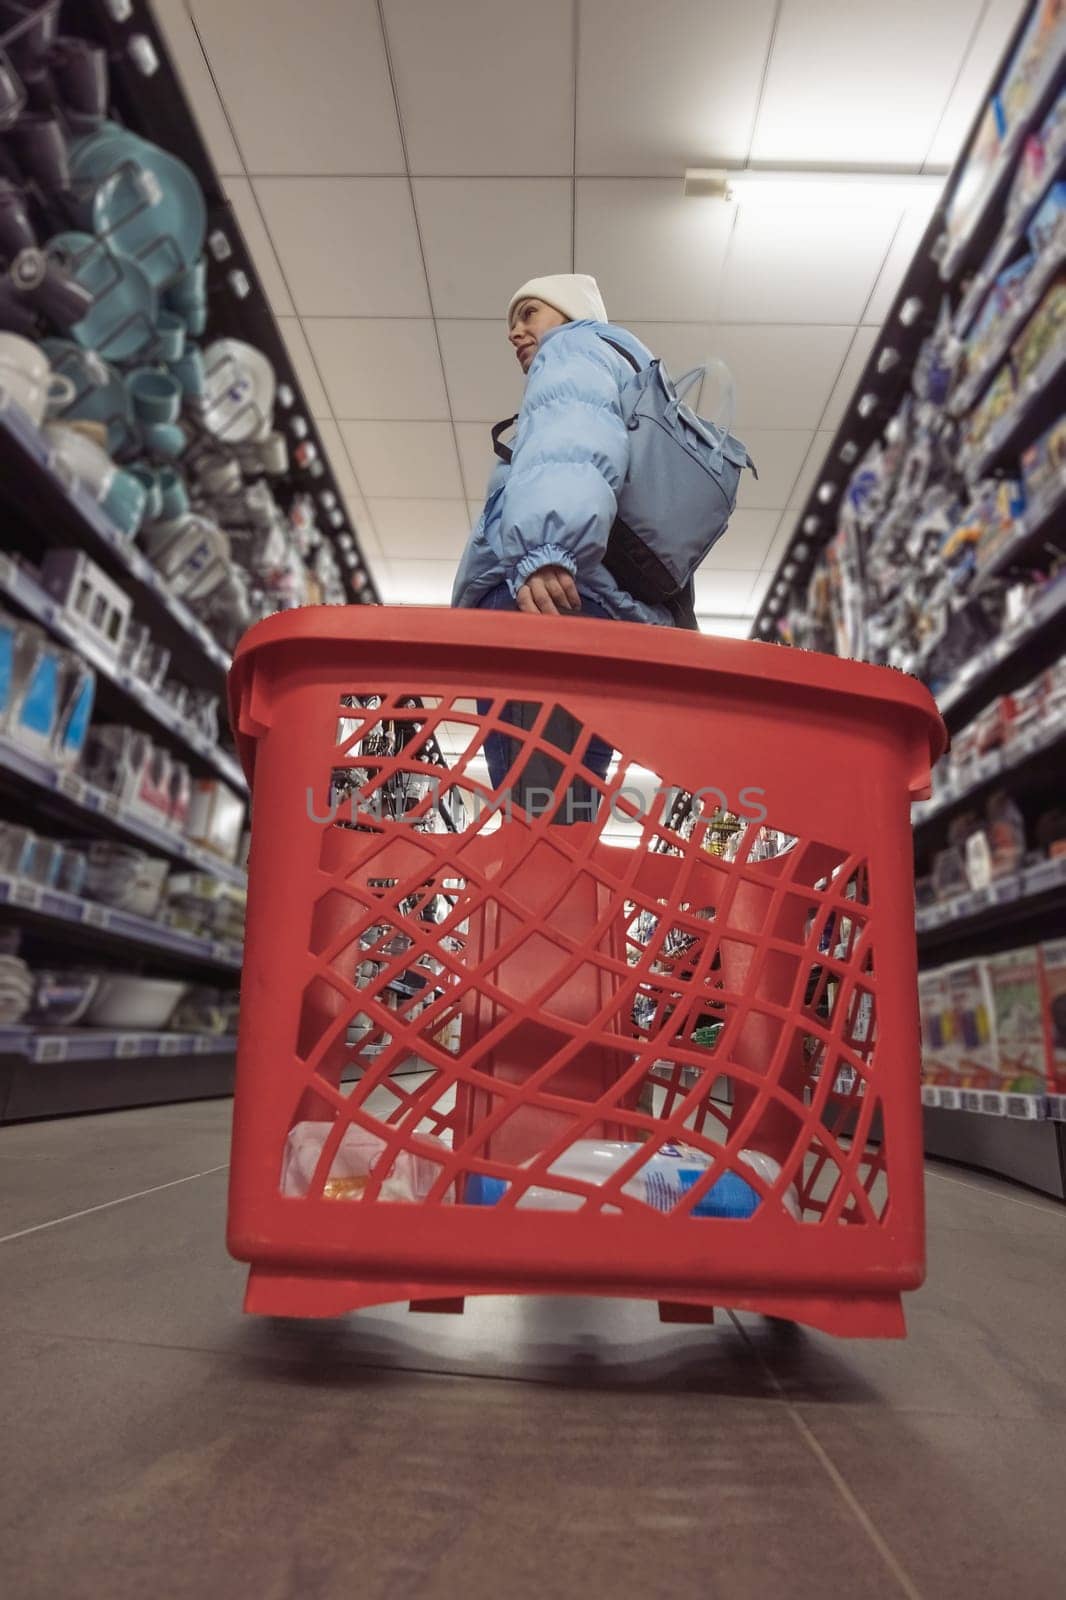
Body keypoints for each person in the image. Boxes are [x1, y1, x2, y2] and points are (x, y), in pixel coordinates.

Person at [452, 273, 672, 819]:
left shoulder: (573, 349)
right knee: (566, 821)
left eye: (529, 314)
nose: (515, 333)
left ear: (571, 314)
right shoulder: (624, 373)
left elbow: (570, 443)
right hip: (601, 614)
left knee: (536, 827)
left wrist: (546, 546)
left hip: (545, 609)